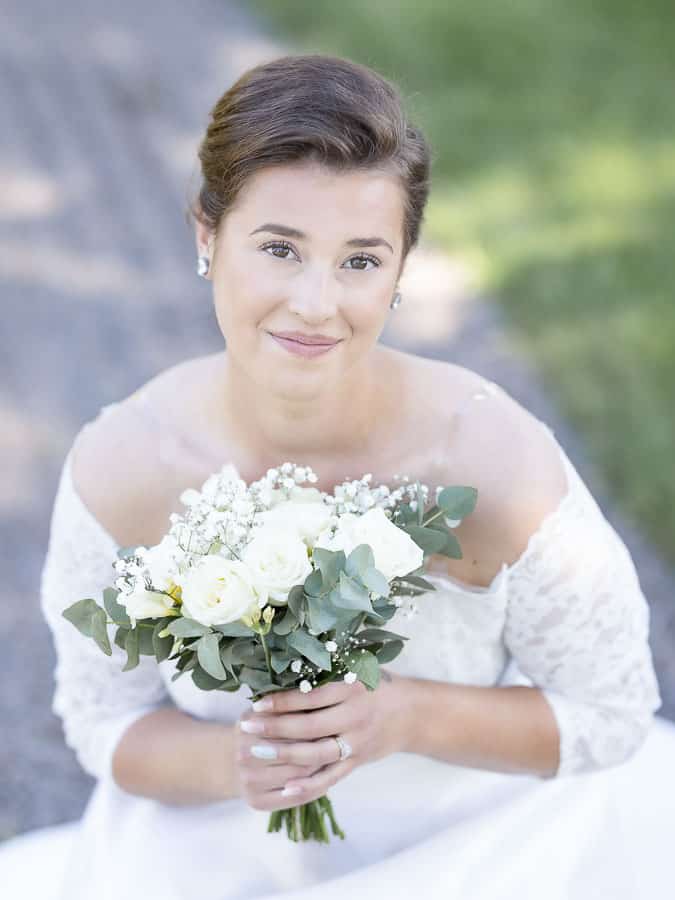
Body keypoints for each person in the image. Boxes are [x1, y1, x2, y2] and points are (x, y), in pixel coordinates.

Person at [2, 53, 674, 900]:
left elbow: (608, 713)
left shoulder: (490, 462)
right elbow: (104, 722)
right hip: (220, 852)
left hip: (490, 847)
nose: (316, 303)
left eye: (360, 260)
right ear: (206, 236)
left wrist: (402, 715)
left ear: (400, 267)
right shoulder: (127, 465)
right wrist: (244, 761)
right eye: (280, 248)